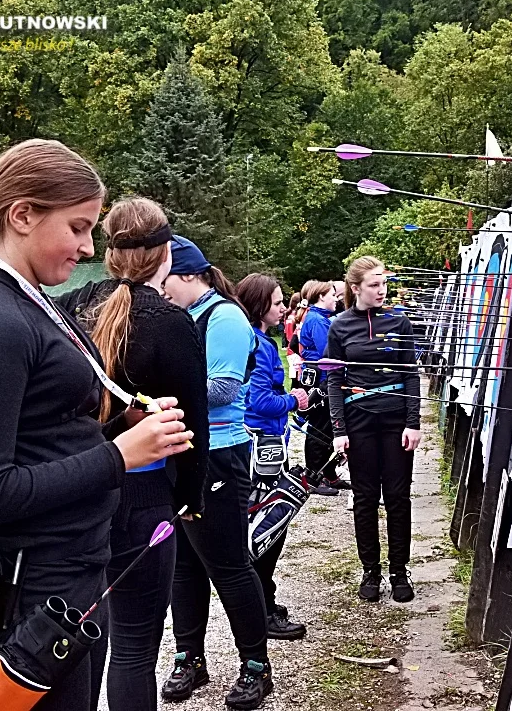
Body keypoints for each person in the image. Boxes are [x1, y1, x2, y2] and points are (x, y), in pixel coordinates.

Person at [0, 139, 194, 711]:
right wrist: (119, 455)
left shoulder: (31, 301)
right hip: (35, 590)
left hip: (69, 573)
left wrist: (122, 422)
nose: (88, 246)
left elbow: (44, 434)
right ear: (22, 216)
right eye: (77, 227)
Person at [55, 197, 210, 711]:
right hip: (142, 494)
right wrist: (191, 498)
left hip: (80, 487)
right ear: (166, 254)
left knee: (84, 639)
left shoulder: (72, 304)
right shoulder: (169, 320)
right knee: (135, 648)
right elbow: (189, 422)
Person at [161, 236, 273, 710]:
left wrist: (156, 397)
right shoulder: (181, 315)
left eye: (164, 279)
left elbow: (225, 388)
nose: (159, 289)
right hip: (180, 451)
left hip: (220, 454)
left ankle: (255, 666)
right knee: (183, 565)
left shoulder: (224, 316)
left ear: (189, 275)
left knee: (227, 565)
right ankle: (190, 657)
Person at [325, 256, 422, 603]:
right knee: (365, 498)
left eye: (384, 284)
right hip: (359, 422)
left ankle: (399, 570)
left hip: (396, 420)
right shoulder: (339, 326)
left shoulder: (400, 321)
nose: (381, 291)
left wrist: (414, 422)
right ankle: (371, 569)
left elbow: (411, 373)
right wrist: (339, 428)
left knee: (397, 497)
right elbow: (334, 378)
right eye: (374, 285)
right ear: (356, 288)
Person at [236, 273, 310, 641]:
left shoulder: (257, 339)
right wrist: (294, 400)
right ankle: (263, 610)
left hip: (260, 444)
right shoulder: (259, 346)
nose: (284, 308)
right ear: (259, 305)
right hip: (261, 447)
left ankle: (265, 602)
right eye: (278, 302)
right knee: (268, 526)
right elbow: (256, 400)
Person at [297, 280, 346, 494]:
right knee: (320, 427)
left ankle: (329, 473)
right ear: (321, 297)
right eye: (332, 295)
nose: (336, 299)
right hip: (322, 380)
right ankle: (313, 477)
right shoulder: (317, 320)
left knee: (329, 428)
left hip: (325, 379)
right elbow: (328, 353)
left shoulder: (321, 318)